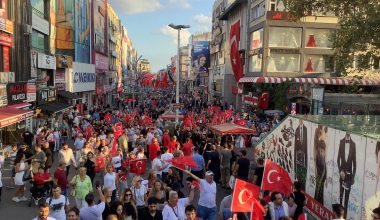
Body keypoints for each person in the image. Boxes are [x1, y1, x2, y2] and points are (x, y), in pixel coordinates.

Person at [337, 133, 356, 219]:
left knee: (346, 200)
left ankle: (344, 217)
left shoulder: (353, 144)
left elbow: (355, 164)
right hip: (342, 175)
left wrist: (353, 178)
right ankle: (339, 217)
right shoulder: (341, 142)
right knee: (341, 197)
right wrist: (340, 171)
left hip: (349, 177)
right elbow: (338, 159)